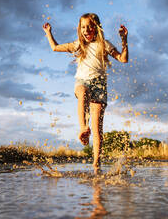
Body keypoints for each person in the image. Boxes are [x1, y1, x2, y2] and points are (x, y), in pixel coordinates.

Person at [42, 13, 128, 174]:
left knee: (97, 130)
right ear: (79, 29)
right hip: (83, 82)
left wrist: (124, 40)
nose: (86, 29)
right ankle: (83, 128)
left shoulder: (104, 44)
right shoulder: (78, 45)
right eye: (83, 27)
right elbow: (55, 47)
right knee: (82, 93)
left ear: (97, 27)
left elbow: (123, 59)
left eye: (89, 26)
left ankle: (96, 165)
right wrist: (48, 33)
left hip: (100, 86)